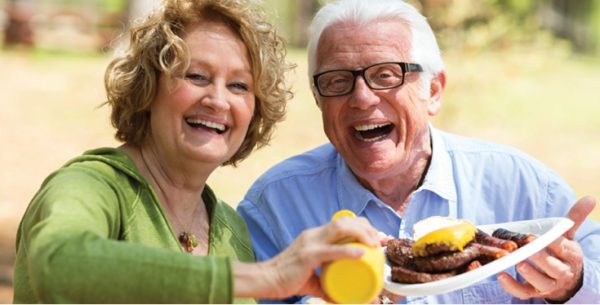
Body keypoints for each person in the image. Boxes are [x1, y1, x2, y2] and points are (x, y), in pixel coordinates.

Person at [12, 0, 382, 303]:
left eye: (239, 85)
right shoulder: (89, 186)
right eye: (196, 76)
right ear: (148, 87)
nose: (218, 100)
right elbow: (59, 264)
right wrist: (266, 276)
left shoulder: (229, 228)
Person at [237, 0, 600, 303]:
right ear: (319, 101)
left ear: (434, 91)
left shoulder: (522, 186)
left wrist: (575, 282)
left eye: (386, 75)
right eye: (337, 81)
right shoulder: (275, 207)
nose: (361, 98)